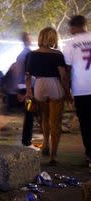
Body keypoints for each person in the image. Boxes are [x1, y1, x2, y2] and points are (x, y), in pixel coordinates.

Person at [25, 27, 72, 165]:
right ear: (53, 38)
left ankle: (45, 143)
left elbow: (28, 76)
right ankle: (53, 156)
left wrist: (29, 92)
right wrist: (68, 93)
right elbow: (63, 76)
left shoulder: (32, 55)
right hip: (54, 84)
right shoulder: (57, 55)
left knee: (44, 118)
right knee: (55, 122)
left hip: (39, 85)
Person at [63, 15, 91, 168]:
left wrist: (67, 91)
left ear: (73, 27)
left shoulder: (70, 45)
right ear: (85, 24)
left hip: (81, 89)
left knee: (86, 124)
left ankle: (90, 156)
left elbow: (67, 71)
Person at [13, 33, 39, 150]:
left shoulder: (21, 55)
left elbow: (17, 73)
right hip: (29, 88)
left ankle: (27, 140)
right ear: (26, 40)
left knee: (30, 113)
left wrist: (17, 89)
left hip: (23, 87)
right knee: (29, 113)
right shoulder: (29, 54)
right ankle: (26, 141)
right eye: (29, 38)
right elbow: (27, 73)